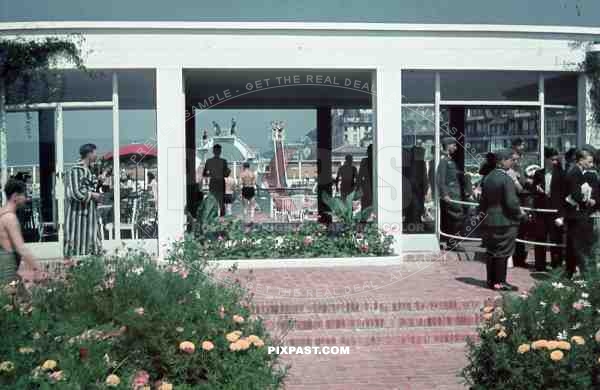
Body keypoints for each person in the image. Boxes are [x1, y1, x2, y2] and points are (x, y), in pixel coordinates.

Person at [479, 149, 528, 291]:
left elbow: (483, 201)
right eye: (511, 160)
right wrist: (521, 215)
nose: (513, 162)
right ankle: (500, 282)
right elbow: (511, 203)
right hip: (505, 220)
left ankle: (491, 280)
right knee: (503, 251)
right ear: (502, 161)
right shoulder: (506, 179)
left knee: (491, 250)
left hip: (489, 218)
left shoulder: (488, 177)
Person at [0, 179, 45, 285]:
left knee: (23, 298)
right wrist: (38, 269)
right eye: (24, 195)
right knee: (12, 299)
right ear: (15, 196)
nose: (26, 198)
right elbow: (21, 248)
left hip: (6, 265)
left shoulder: (2, 213)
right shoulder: (10, 218)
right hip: (7, 267)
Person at [64, 144, 103, 257]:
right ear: (89, 154)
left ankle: (92, 264)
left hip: (89, 215)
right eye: (95, 153)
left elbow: (89, 187)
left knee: (92, 241)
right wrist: (93, 195)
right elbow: (76, 192)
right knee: (77, 244)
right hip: (79, 216)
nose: (96, 155)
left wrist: (99, 181)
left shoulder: (88, 170)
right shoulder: (76, 170)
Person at [563, 148, 597, 278]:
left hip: (574, 214)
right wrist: (588, 200)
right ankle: (584, 274)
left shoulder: (576, 171)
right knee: (579, 246)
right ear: (581, 160)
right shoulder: (575, 173)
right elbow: (576, 194)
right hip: (577, 215)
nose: (591, 165)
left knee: (573, 245)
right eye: (589, 161)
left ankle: (569, 272)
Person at [532, 147, 565, 271]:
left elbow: (564, 194)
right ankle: (539, 265)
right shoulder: (538, 173)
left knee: (556, 238)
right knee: (540, 237)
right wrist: (537, 189)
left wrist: (562, 214)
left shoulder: (562, 173)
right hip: (541, 211)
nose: (555, 162)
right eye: (552, 160)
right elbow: (533, 190)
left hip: (555, 211)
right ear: (546, 159)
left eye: (557, 160)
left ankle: (556, 265)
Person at [437, 136, 464, 250]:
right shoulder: (444, 161)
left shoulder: (449, 160)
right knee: (456, 217)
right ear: (448, 146)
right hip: (451, 194)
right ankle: (452, 242)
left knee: (456, 218)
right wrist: (445, 194)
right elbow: (440, 179)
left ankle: (453, 241)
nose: (456, 148)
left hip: (455, 193)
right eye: (454, 145)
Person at [202, 144, 228, 217]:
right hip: (220, 183)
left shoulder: (208, 161)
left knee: (213, 202)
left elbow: (204, 174)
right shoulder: (224, 161)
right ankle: (222, 219)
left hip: (213, 182)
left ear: (213, 151)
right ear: (220, 151)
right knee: (221, 203)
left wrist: (212, 174)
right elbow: (226, 174)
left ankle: (214, 218)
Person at [357, 144, 373, 215]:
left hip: (371, 186)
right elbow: (360, 176)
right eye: (369, 151)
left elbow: (360, 176)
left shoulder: (378, 161)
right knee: (365, 206)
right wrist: (358, 187)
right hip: (367, 186)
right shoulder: (364, 161)